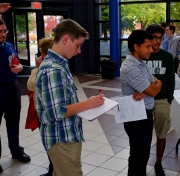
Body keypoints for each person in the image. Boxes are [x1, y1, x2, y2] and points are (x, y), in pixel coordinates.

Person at [35, 19, 105, 176]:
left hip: (67, 136)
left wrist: (89, 103)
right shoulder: (53, 69)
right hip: (61, 140)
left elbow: (64, 102)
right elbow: (57, 113)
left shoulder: (61, 63)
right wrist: (88, 103)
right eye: (78, 45)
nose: (79, 51)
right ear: (66, 39)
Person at [120, 29, 162, 176]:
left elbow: (156, 82)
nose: (152, 49)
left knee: (142, 155)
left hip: (143, 116)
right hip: (137, 118)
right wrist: (151, 87)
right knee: (138, 157)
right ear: (136, 46)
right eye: (148, 46)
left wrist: (153, 84)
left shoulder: (141, 64)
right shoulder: (131, 67)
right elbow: (154, 90)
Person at [0, 19, 31, 173]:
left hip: (13, 89)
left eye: (4, 31)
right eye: (0, 32)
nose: (3, 34)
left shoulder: (10, 46)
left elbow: (16, 62)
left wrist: (19, 67)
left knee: (13, 122)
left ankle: (16, 151)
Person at [145, 24, 175, 176]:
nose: (157, 41)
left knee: (162, 134)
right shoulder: (144, 56)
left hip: (162, 100)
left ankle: (158, 163)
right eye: (154, 38)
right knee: (144, 135)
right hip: (144, 101)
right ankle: (142, 163)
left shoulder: (167, 57)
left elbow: (171, 80)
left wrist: (169, 98)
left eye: (160, 38)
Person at [27, 38, 54, 176]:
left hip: (45, 113)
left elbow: (31, 85)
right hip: (46, 112)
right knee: (51, 144)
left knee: (50, 143)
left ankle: (53, 170)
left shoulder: (45, 68)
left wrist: (37, 68)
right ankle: (52, 168)